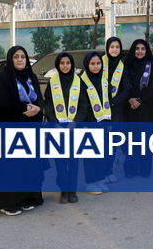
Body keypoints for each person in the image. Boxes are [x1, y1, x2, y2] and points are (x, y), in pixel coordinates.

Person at [0, 46, 44, 216]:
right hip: (7, 129)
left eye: (23, 57)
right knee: (9, 169)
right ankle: (7, 202)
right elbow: (0, 102)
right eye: (16, 56)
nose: (19, 59)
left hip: (29, 129)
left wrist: (38, 109)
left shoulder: (30, 76)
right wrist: (25, 108)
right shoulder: (2, 77)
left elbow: (39, 98)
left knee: (27, 167)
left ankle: (26, 198)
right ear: (10, 59)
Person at [44, 52, 86, 204]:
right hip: (56, 128)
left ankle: (72, 191)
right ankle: (63, 188)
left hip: (74, 128)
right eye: (62, 63)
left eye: (68, 63)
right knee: (60, 163)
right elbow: (47, 104)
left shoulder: (78, 81)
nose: (65, 65)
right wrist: (53, 121)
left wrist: (74, 123)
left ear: (72, 64)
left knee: (73, 162)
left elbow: (84, 105)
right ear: (58, 65)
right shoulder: (52, 81)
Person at [123, 39, 153, 178]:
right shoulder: (127, 66)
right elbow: (123, 85)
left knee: (145, 140)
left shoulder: (152, 66)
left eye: (142, 49)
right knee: (131, 140)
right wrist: (130, 99)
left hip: (146, 108)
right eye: (137, 48)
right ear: (133, 50)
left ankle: (145, 169)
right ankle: (130, 169)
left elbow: (152, 88)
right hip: (129, 107)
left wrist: (141, 100)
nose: (139, 51)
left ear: (146, 51)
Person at [80, 51, 112, 194]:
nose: (96, 66)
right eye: (92, 63)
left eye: (98, 63)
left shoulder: (103, 79)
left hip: (103, 121)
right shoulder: (81, 81)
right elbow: (81, 104)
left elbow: (108, 99)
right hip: (89, 122)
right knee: (91, 155)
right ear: (87, 64)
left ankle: (99, 179)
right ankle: (90, 182)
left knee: (102, 153)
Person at [102, 37, 131, 183]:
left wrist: (114, 102)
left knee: (113, 141)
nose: (114, 49)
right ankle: (101, 172)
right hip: (100, 110)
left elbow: (127, 88)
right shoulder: (99, 63)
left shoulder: (122, 66)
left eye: (117, 47)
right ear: (107, 48)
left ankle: (109, 170)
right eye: (112, 46)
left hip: (116, 109)